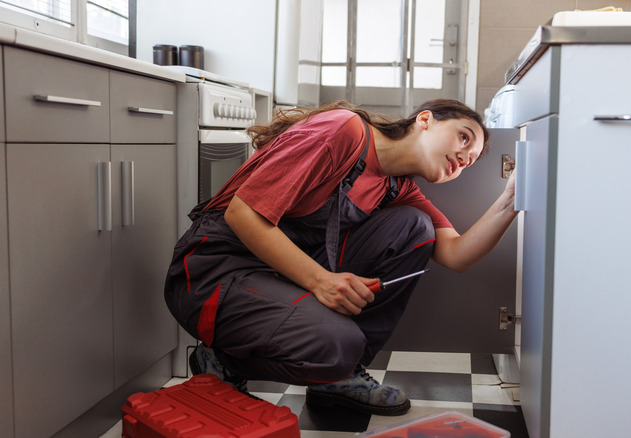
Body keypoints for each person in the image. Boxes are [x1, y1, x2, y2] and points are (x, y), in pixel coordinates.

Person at [164, 99, 517, 416]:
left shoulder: (398, 187)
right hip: (213, 272)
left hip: (272, 275)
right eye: (464, 138)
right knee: (336, 345)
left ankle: (334, 377)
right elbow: (242, 215)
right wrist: (321, 281)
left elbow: (456, 254)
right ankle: (222, 360)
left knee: (414, 227)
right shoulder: (343, 129)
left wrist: (511, 199)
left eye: (470, 161)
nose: (464, 158)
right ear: (425, 119)